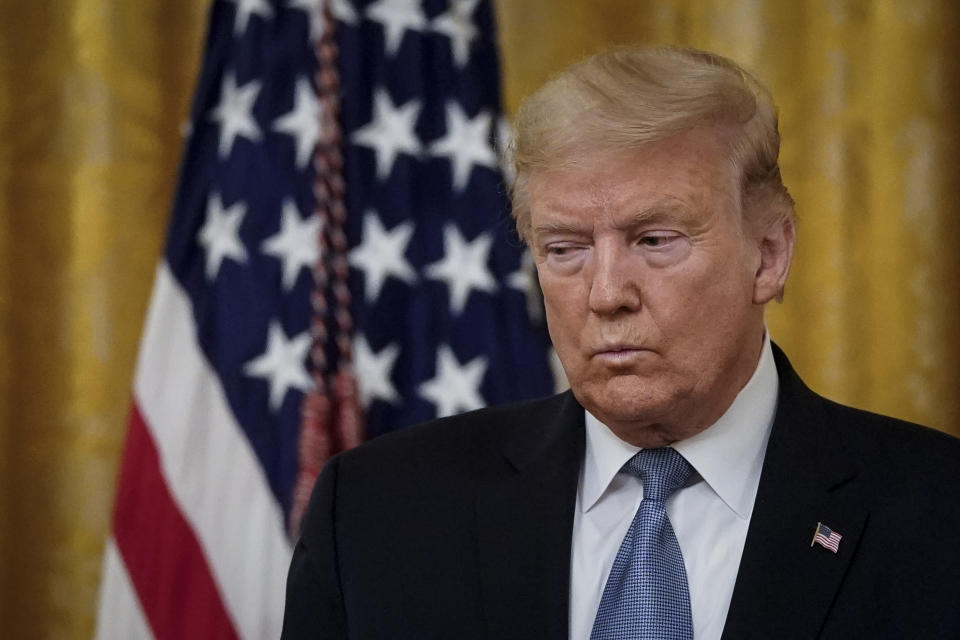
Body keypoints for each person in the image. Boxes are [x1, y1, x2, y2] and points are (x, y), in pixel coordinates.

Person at [281, 46, 960, 639]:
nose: (606, 293)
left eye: (654, 240)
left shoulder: (938, 517)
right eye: (565, 248)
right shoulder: (376, 516)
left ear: (769, 255)